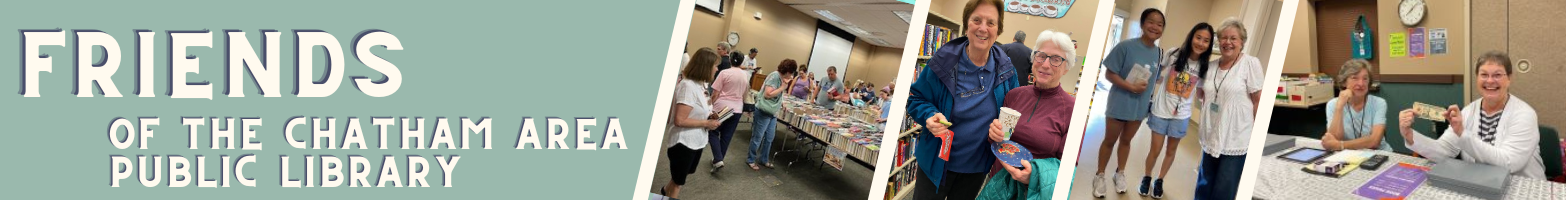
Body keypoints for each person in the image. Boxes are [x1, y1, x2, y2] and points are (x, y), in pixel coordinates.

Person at [906, 0, 1019, 199]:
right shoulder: (942, 63)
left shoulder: (1007, 71)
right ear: (967, 24)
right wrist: (929, 115)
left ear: (998, 30)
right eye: (977, 20)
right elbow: (915, 99)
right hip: (935, 162)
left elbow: (1013, 113)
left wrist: (1003, 132)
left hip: (975, 169)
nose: (983, 28)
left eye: (991, 23)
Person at [1399, 51, 1545, 179]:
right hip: (1480, 182)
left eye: (1497, 75)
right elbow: (1444, 151)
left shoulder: (1524, 114)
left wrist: (1462, 134)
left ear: (1509, 78)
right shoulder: (1469, 111)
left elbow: (1509, 163)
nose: (1490, 81)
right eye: (1484, 75)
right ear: (1477, 78)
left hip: (1520, 184)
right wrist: (1409, 134)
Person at [976, 30, 1076, 200]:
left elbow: (1069, 168)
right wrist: (993, 135)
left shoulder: (1073, 110)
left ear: (1066, 68)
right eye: (1041, 56)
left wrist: (1034, 177)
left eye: (1056, 59)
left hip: (1033, 192)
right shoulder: (1014, 95)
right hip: (997, 186)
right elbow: (1000, 141)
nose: (1045, 64)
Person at [1093, 8, 1164, 198]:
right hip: (1119, 103)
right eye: (1151, 21)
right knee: (1110, 141)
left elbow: (1156, 78)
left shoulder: (1159, 53)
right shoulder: (1125, 46)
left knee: (1126, 141)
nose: (1155, 27)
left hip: (1139, 107)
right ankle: (1100, 175)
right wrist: (1129, 86)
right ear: (1142, 24)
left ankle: (1120, 173)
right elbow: (1109, 73)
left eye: (1160, 24)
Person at [1139, 22, 1212, 199]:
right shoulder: (1173, 54)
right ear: (1191, 36)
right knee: (1155, 150)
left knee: (1171, 151)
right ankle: (1147, 177)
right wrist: (1153, 81)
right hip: (1161, 110)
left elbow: (1201, 92)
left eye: (1206, 40)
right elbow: (1156, 71)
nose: (1201, 43)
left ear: (1209, 45)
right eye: (1198, 37)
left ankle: (1160, 180)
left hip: (1182, 115)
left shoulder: (1205, 66)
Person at [1194, 18, 1262, 200]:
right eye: (1223, 38)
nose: (1227, 42)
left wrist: (1257, 137)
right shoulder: (1210, 66)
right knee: (1204, 183)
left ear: (1242, 42)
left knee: (1224, 188)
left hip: (1236, 137)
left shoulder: (1250, 63)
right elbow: (1201, 95)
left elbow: (1258, 101)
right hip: (1211, 132)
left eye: (1233, 38)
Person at [659, 48, 723, 198]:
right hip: (683, 142)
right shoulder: (688, 86)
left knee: (679, 178)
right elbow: (680, 120)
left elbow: (700, 107)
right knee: (678, 184)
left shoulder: (701, 85)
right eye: (715, 65)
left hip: (697, 141)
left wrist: (710, 114)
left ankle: (663, 192)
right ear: (705, 66)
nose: (717, 68)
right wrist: (706, 123)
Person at [1321, 59, 1391, 151]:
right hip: (1348, 156)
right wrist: (1339, 107)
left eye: (1365, 79)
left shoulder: (1379, 103)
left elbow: (1374, 141)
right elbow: (1333, 140)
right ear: (1344, 82)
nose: (1361, 83)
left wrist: (1340, 145)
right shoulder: (1333, 104)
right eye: (1355, 78)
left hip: (1378, 154)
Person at [748, 59, 800, 170]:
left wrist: (781, 103)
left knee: (769, 138)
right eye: (791, 72)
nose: (791, 75)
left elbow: (777, 95)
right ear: (787, 70)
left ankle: (764, 159)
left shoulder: (781, 78)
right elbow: (767, 94)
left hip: (773, 112)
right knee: (758, 137)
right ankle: (751, 159)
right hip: (763, 111)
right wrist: (782, 88)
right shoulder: (774, 76)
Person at [707, 51, 752, 172]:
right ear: (742, 61)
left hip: (723, 108)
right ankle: (718, 160)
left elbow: (715, 93)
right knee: (726, 136)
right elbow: (745, 93)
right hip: (737, 108)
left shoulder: (724, 73)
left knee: (712, 131)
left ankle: (718, 158)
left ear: (730, 60)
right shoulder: (745, 75)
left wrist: (709, 105)